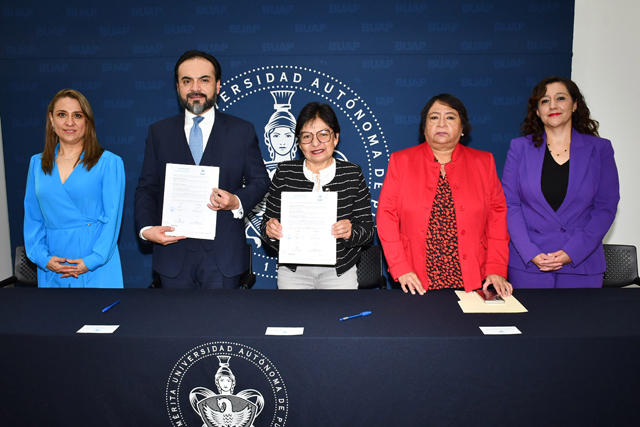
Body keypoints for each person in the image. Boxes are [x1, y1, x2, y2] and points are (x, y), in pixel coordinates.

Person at [135, 50, 270, 289]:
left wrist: (236, 201)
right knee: (173, 316)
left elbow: (260, 180)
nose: (195, 88)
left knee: (221, 316)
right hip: (172, 254)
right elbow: (147, 188)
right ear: (177, 87)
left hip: (223, 256)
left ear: (217, 86)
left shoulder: (242, 131)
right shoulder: (159, 133)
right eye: (187, 81)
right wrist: (146, 229)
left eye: (204, 80)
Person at [377, 94, 511, 297]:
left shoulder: (484, 162)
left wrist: (496, 268)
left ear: (462, 127)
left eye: (450, 117)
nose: (441, 123)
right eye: (434, 117)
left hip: (474, 276)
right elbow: (386, 217)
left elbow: (497, 218)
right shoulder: (400, 161)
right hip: (415, 280)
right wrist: (400, 267)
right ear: (424, 128)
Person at [501, 77, 619, 288]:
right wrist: (530, 252)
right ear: (537, 111)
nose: (553, 105)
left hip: (581, 263)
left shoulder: (600, 149)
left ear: (575, 105)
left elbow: (605, 207)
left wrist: (573, 252)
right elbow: (510, 205)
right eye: (545, 101)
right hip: (529, 265)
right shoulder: (519, 148)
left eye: (561, 98)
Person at [260, 102, 374, 289]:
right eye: (307, 136)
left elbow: (368, 230)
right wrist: (270, 231)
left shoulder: (352, 173)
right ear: (299, 142)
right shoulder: (285, 172)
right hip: (293, 272)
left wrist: (350, 232)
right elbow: (265, 225)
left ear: (335, 138)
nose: (315, 143)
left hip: (339, 272)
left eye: (323, 134)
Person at [23, 89, 125, 288]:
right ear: (51, 120)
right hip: (52, 266)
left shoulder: (109, 163)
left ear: (87, 121)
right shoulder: (36, 164)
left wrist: (92, 260)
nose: (69, 122)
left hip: (96, 266)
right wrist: (44, 259)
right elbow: (33, 219)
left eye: (77, 115)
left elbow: (112, 219)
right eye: (62, 114)